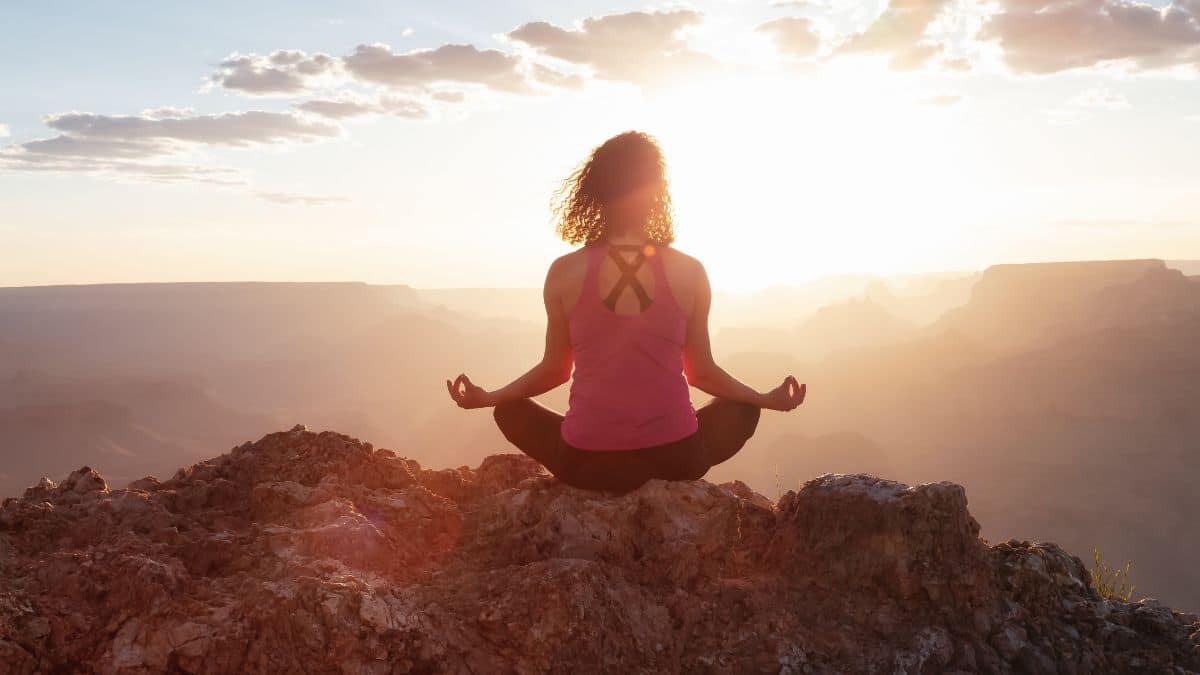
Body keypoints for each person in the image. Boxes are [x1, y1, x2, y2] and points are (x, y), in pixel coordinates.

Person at [446, 130, 805, 493]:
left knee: (510, 411)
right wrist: (764, 399)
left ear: (595, 192)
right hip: (677, 457)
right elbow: (703, 373)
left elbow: (555, 369)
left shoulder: (564, 272)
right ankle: (656, 470)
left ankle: (612, 471)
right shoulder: (689, 271)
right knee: (742, 409)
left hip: (585, 463)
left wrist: (490, 397)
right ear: (657, 194)